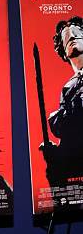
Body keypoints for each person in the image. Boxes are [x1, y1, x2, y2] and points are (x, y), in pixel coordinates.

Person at [47, 16, 83, 183]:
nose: (72, 37)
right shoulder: (68, 87)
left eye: (77, 33)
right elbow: (65, 131)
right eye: (67, 37)